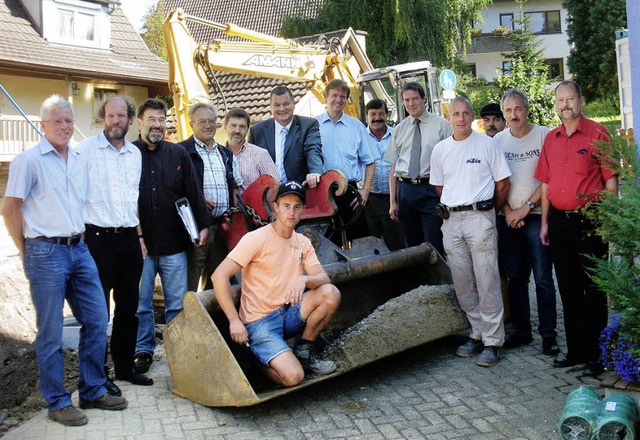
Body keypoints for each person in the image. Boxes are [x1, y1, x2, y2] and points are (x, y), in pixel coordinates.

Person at [2, 95, 127, 426]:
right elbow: (10, 208)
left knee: (98, 319)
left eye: (69, 121)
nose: (65, 126)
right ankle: (57, 401)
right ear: (43, 125)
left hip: (78, 248)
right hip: (44, 252)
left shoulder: (77, 158)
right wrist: (23, 247)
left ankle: (91, 389)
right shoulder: (28, 161)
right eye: (57, 121)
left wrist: (80, 235)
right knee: (51, 332)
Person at [212, 181, 341, 387]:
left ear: (302, 210)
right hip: (260, 322)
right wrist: (234, 320)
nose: (291, 212)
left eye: (297, 207)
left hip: (289, 314)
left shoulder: (302, 242)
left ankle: (304, 350)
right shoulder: (256, 239)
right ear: (276, 207)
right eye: (286, 206)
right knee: (293, 377)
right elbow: (219, 276)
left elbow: (323, 278)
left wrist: (304, 279)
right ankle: (257, 362)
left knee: (330, 293)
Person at [534, 81, 617, 376]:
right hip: (558, 222)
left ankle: (597, 355)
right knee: (568, 288)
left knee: (593, 289)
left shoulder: (598, 133)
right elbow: (545, 183)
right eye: (560, 100)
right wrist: (544, 223)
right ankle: (576, 350)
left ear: (581, 100)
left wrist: (607, 222)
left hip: (590, 221)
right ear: (556, 104)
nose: (565, 104)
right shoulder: (551, 139)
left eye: (570, 99)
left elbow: (610, 181)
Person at [77, 96, 153, 395]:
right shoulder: (86, 151)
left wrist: (139, 237)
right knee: (98, 312)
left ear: (130, 120)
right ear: (103, 118)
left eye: (121, 116)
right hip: (97, 240)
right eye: (111, 116)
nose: (116, 121)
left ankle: (124, 367)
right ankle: (98, 375)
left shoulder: (134, 155)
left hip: (128, 240)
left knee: (128, 308)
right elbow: (75, 192)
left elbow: (132, 200)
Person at [430, 96, 512, 367]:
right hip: (452, 220)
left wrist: (489, 212)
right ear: (449, 116)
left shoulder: (487, 145)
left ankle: (492, 340)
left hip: (481, 218)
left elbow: (503, 183)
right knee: (463, 281)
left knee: (487, 280)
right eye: (456, 114)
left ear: (473, 116)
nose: (461, 118)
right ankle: (476, 332)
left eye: (466, 113)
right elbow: (440, 188)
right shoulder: (441, 150)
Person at [134, 98, 213, 375]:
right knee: (141, 304)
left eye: (161, 120)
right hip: (141, 246)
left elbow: (193, 190)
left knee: (176, 304)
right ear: (139, 123)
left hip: (174, 245)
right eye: (151, 120)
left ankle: (176, 350)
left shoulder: (178, 154)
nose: (157, 125)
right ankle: (142, 351)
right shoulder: (129, 156)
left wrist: (203, 224)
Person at [493, 89, 559, 356]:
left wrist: (526, 207)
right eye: (508, 111)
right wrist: (509, 211)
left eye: (518, 109)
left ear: (527, 110)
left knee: (543, 277)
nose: (513, 115)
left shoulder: (544, 135)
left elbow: (549, 178)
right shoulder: (497, 140)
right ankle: (521, 331)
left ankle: (548, 336)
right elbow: (495, 180)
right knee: (516, 277)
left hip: (535, 216)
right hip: (507, 218)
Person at [178, 102, 243, 293]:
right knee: (190, 280)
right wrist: (197, 199)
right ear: (191, 124)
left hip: (221, 226)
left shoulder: (225, 153)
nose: (208, 125)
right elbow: (174, 189)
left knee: (217, 280)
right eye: (202, 121)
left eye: (212, 121)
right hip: (195, 229)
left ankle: (214, 321)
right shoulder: (181, 152)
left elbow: (236, 189)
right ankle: (186, 319)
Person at [385, 82, 452, 255]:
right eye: (407, 100)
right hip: (406, 191)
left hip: (431, 189)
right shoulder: (399, 129)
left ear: (424, 99)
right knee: (412, 244)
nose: (411, 104)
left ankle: (439, 281)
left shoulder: (441, 126)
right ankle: (420, 282)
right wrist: (393, 202)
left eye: (415, 98)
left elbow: (452, 162)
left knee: (433, 242)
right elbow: (394, 167)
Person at [316, 79, 375, 243]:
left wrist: (365, 191)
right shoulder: (313, 125)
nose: (338, 99)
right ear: (325, 97)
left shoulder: (356, 127)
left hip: (350, 193)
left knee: (359, 241)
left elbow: (370, 162)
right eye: (334, 95)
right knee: (327, 243)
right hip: (322, 192)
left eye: (343, 96)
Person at [248, 85, 323, 188]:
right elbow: (250, 163)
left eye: (286, 104)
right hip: (267, 193)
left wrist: (315, 172)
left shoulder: (308, 125)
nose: (282, 109)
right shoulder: (257, 131)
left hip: (297, 191)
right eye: (277, 105)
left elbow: (313, 150)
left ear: (293, 104)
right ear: (271, 107)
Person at [363, 99, 406, 250]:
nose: (377, 118)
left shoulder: (397, 135)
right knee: (371, 243)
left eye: (381, 113)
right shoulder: (361, 137)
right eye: (373, 114)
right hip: (369, 199)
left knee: (395, 242)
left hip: (392, 197)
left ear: (387, 115)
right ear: (366, 115)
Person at [224, 107, 279, 191]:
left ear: (247, 129)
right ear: (225, 127)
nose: (237, 130)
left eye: (242, 127)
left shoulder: (260, 154)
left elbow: (275, 184)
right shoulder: (217, 155)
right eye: (233, 126)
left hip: (254, 204)